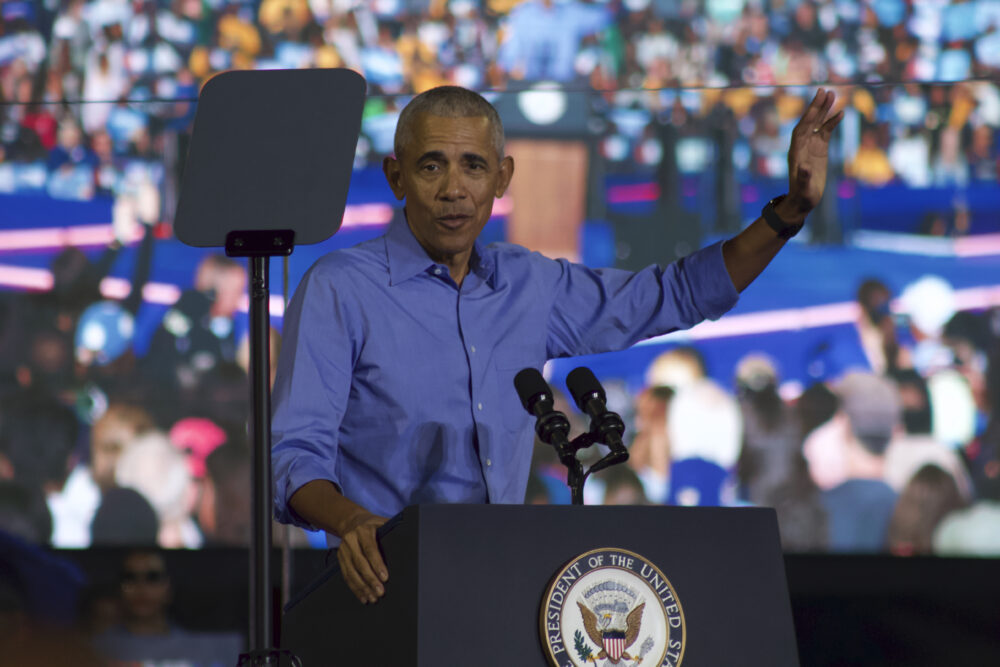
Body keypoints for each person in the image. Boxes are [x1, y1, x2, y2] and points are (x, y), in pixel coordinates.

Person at [271, 85, 843, 604]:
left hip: (502, 590)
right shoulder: (339, 288)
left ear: (502, 177)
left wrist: (788, 212)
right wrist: (353, 523)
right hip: (380, 591)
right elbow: (294, 454)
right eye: (431, 167)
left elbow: (676, 293)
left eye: (473, 166)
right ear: (397, 178)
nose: (453, 190)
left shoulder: (531, 285)